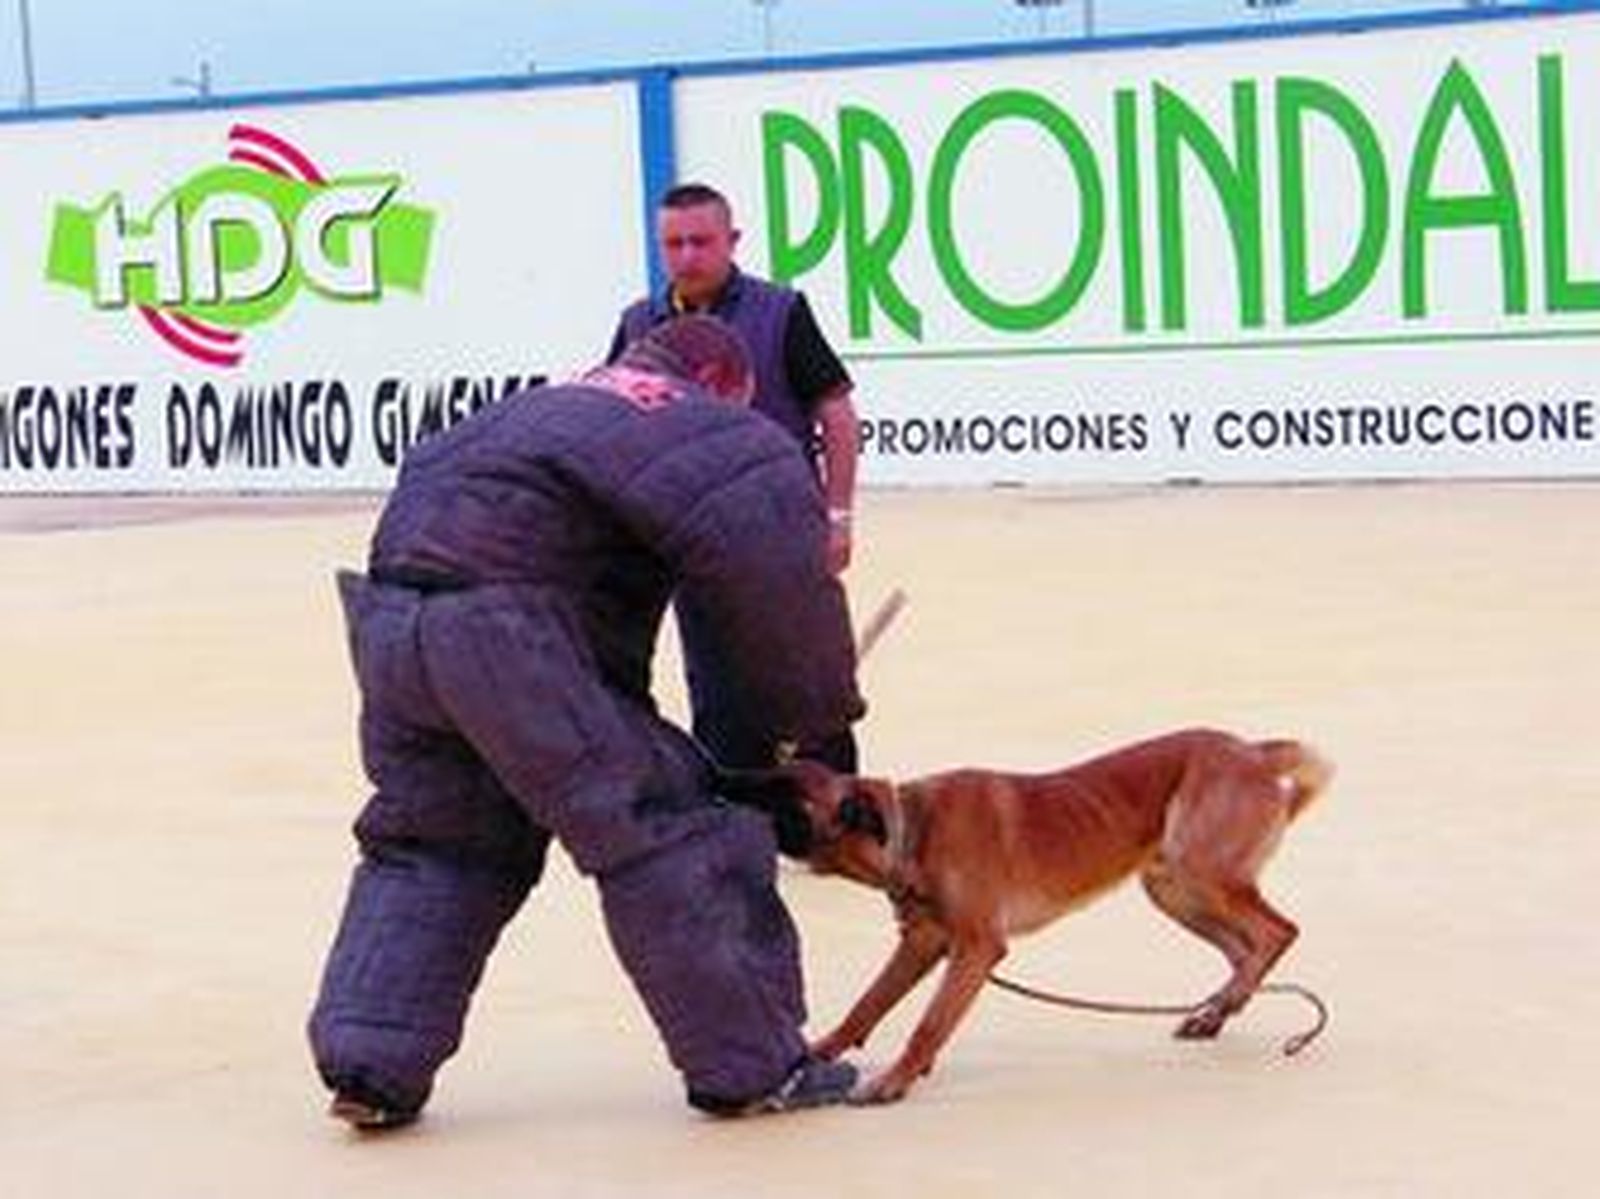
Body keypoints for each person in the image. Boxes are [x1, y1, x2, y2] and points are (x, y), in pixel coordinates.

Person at [307, 315, 865, 1130]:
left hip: (393, 628)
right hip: (512, 640)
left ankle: (370, 1066)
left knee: (435, 843)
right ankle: (751, 1066)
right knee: (675, 828)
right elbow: (778, 582)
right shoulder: (705, 422)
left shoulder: (532, 407)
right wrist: (806, 720)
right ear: (719, 385)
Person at [609, 182, 861, 773]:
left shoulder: (782, 312)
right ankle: (741, 815)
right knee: (719, 692)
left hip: (785, 530)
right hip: (691, 540)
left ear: (733, 241)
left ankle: (840, 831)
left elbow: (837, 414)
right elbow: (614, 424)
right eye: (673, 244)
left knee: (809, 679)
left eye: (701, 241)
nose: (687, 256)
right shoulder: (638, 324)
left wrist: (838, 514)